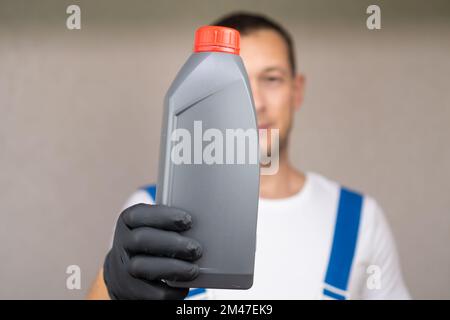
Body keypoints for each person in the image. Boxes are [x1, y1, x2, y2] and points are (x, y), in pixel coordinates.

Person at [87, 12, 410, 300]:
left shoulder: (360, 218)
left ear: (296, 90)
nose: (253, 103)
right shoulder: (152, 210)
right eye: (232, 83)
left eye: (271, 79)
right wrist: (114, 286)